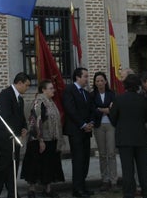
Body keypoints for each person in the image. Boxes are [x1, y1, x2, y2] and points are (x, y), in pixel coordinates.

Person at [109, 74, 147, 198]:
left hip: (124, 139)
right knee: (144, 168)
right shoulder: (143, 99)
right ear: (138, 85)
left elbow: (113, 119)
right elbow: (146, 117)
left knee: (127, 169)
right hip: (141, 137)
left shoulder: (119, 99)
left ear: (125, 85)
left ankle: (128, 194)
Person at [20, 79, 65, 198]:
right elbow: (35, 121)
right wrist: (40, 140)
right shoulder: (39, 102)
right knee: (35, 165)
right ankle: (32, 190)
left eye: (53, 88)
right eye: (50, 88)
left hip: (51, 139)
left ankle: (48, 189)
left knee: (49, 165)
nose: (53, 90)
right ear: (43, 90)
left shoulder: (51, 102)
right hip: (39, 140)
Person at [0, 72, 30, 198]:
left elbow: (21, 117)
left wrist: (24, 127)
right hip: (3, 137)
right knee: (3, 167)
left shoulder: (20, 98)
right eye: (27, 85)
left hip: (14, 138)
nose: (27, 88)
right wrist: (16, 132)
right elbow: (6, 118)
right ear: (19, 83)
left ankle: (13, 193)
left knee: (13, 166)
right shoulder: (6, 95)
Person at [62, 67, 96, 197]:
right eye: (85, 76)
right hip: (75, 131)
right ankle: (77, 189)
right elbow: (70, 109)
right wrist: (82, 124)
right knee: (78, 159)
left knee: (85, 159)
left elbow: (92, 109)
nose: (87, 79)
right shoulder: (69, 90)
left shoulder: (86, 93)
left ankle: (83, 186)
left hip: (86, 131)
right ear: (77, 77)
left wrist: (91, 122)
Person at [90, 71, 117, 191]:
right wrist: (105, 109)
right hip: (98, 126)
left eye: (102, 80)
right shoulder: (91, 95)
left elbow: (115, 109)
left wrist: (102, 109)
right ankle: (105, 180)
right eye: (97, 81)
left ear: (106, 81)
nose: (100, 83)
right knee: (102, 154)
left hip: (111, 125)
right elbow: (92, 109)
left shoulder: (112, 94)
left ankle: (114, 180)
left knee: (111, 153)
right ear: (95, 83)